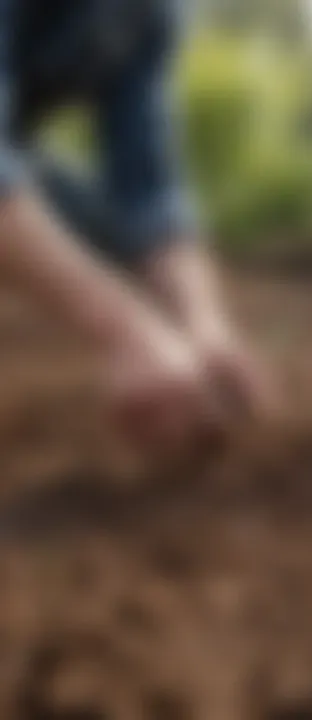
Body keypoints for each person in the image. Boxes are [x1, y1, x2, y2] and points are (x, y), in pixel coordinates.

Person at [0, 0, 274, 456]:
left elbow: (149, 192)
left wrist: (204, 324)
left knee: (98, 226)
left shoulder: (146, 14)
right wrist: (128, 329)